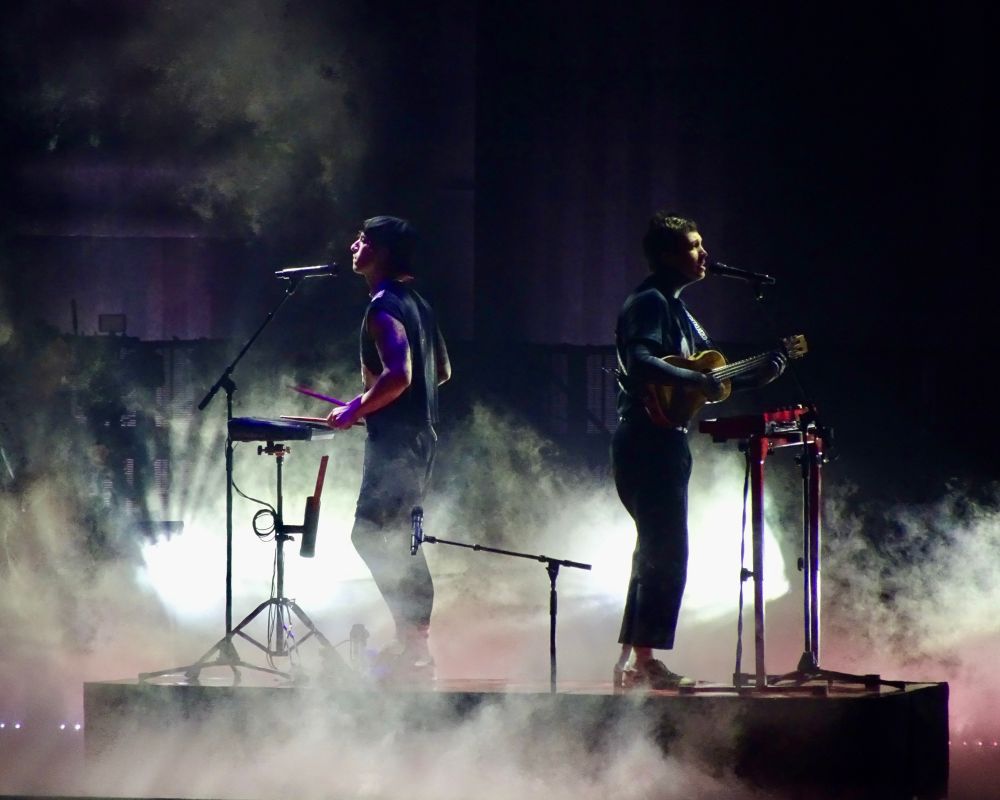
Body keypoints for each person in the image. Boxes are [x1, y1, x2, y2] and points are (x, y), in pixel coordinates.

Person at [611, 212, 785, 690]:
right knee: (666, 550)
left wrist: (759, 374)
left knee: (656, 549)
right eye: (693, 245)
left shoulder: (678, 310)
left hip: (664, 441)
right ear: (667, 255)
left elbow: (706, 381)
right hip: (647, 441)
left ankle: (634, 659)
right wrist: (696, 378)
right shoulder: (649, 302)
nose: (704, 254)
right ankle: (643, 663)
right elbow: (640, 361)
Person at [327, 215, 451, 683]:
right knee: (398, 536)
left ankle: (414, 646)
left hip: (398, 443)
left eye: (362, 240)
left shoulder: (382, 308)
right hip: (419, 437)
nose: (353, 245)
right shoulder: (419, 304)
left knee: (372, 534)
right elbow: (441, 373)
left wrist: (357, 408)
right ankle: (413, 645)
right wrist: (371, 404)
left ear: (379, 252)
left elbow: (400, 375)